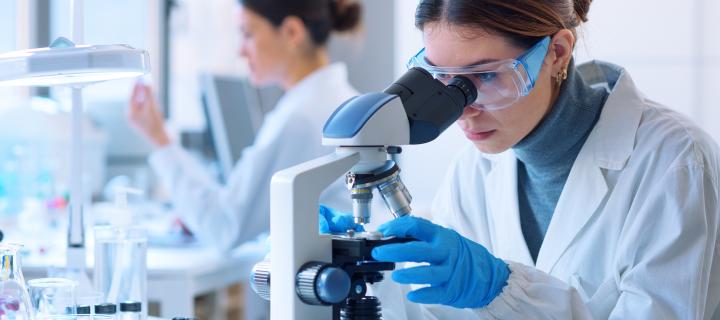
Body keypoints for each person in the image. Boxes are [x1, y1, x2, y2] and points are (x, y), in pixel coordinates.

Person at [321, 0, 720, 318]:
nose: (462, 109)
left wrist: (503, 290)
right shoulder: (473, 172)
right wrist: (373, 272)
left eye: (487, 76)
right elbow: (437, 312)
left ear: (557, 53)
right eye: (441, 78)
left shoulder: (674, 161)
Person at [128, 0, 362, 251]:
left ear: (292, 32)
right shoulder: (337, 99)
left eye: (248, 34)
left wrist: (160, 139)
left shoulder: (301, 118)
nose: (241, 51)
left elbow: (223, 226)